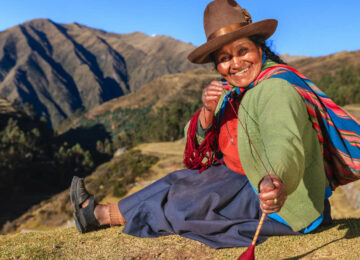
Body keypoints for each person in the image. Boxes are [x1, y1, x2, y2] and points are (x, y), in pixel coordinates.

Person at [70, 0, 359, 248]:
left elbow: (284, 142)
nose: (235, 63)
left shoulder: (275, 89)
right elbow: (194, 142)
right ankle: (100, 214)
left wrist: (275, 180)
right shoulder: (231, 91)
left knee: (185, 203)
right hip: (242, 177)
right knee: (177, 181)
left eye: (242, 51)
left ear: (260, 49)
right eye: (224, 58)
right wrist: (207, 112)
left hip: (278, 199)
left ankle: (103, 217)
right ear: (216, 65)